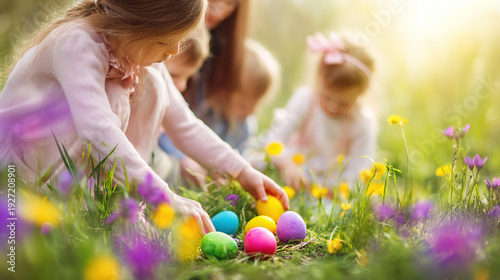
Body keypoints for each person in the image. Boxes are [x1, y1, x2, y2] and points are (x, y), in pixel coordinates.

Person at [0, 0, 288, 235]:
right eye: (166, 40)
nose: (174, 51)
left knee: (153, 85)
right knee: (120, 94)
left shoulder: (132, 49)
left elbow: (184, 125)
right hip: (19, 173)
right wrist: (163, 196)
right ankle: (72, 207)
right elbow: (97, 129)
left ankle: (118, 204)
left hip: (64, 165)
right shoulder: (76, 43)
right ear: (137, 25)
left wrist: (241, 170)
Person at [260, 32, 378, 189]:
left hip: (328, 185)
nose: (333, 107)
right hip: (293, 169)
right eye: (327, 97)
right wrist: (286, 163)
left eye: (343, 103)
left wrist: (337, 190)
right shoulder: (305, 100)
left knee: (331, 209)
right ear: (318, 80)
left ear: (360, 94)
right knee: (259, 165)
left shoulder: (362, 122)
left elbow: (360, 170)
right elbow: (274, 139)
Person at [160, 39, 280, 184]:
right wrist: (182, 158)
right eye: (242, 105)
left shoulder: (244, 126)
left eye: (257, 105)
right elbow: (177, 130)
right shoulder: (201, 107)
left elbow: (242, 155)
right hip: (182, 175)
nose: (251, 112)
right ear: (221, 91)